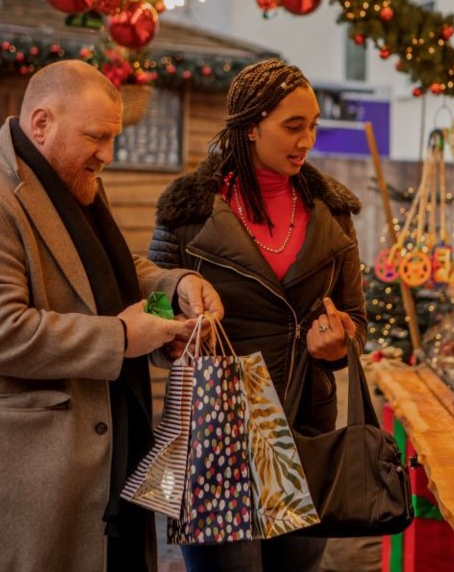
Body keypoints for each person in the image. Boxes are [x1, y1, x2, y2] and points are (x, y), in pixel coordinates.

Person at [0, 60, 223, 572]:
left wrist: (174, 285)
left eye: (113, 138)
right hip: (17, 488)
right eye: (96, 137)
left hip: (103, 478)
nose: (108, 155)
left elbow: (110, 273)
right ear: (41, 124)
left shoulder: (77, 186)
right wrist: (121, 337)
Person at [149, 58, 367, 572]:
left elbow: (355, 314)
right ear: (251, 126)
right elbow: (154, 301)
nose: (306, 140)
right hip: (215, 429)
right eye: (293, 126)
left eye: (312, 126)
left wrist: (339, 344)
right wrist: (172, 336)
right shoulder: (187, 210)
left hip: (303, 429)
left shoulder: (331, 212)